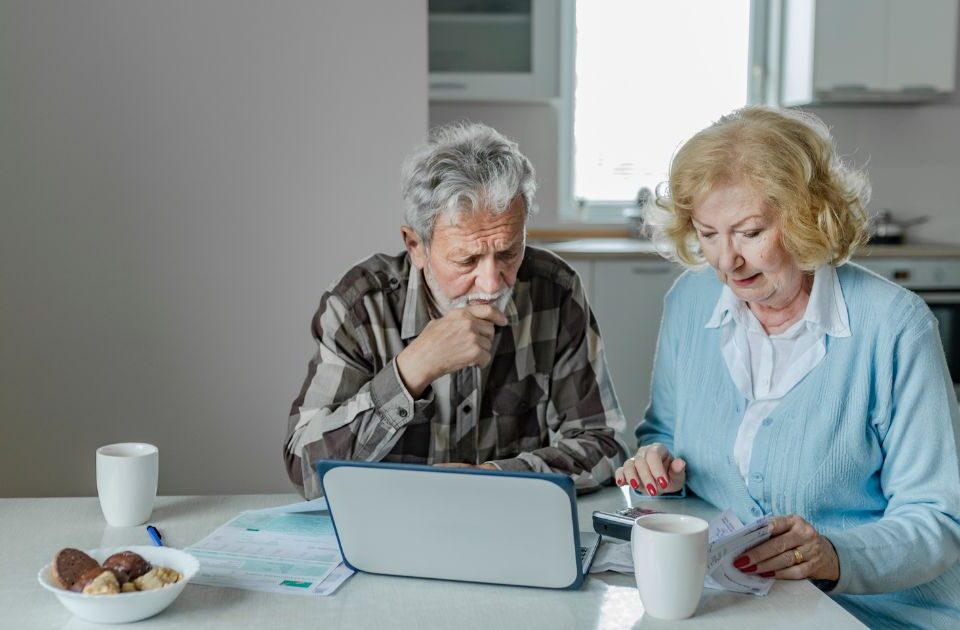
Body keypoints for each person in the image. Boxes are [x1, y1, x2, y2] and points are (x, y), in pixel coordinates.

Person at [615, 106, 960, 628]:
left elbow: (937, 518)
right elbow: (664, 434)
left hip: (876, 613)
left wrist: (833, 554)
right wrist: (657, 468)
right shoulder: (690, 301)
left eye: (750, 232)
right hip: (747, 604)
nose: (727, 261)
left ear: (806, 218)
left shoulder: (894, 325)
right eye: (709, 233)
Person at [285, 122, 627, 500]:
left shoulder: (556, 291)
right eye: (467, 260)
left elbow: (603, 445)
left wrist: (495, 476)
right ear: (415, 245)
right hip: (393, 527)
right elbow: (306, 468)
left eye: (509, 252)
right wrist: (411, 371)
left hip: (511, 521)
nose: (492, 283)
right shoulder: (359, 307)